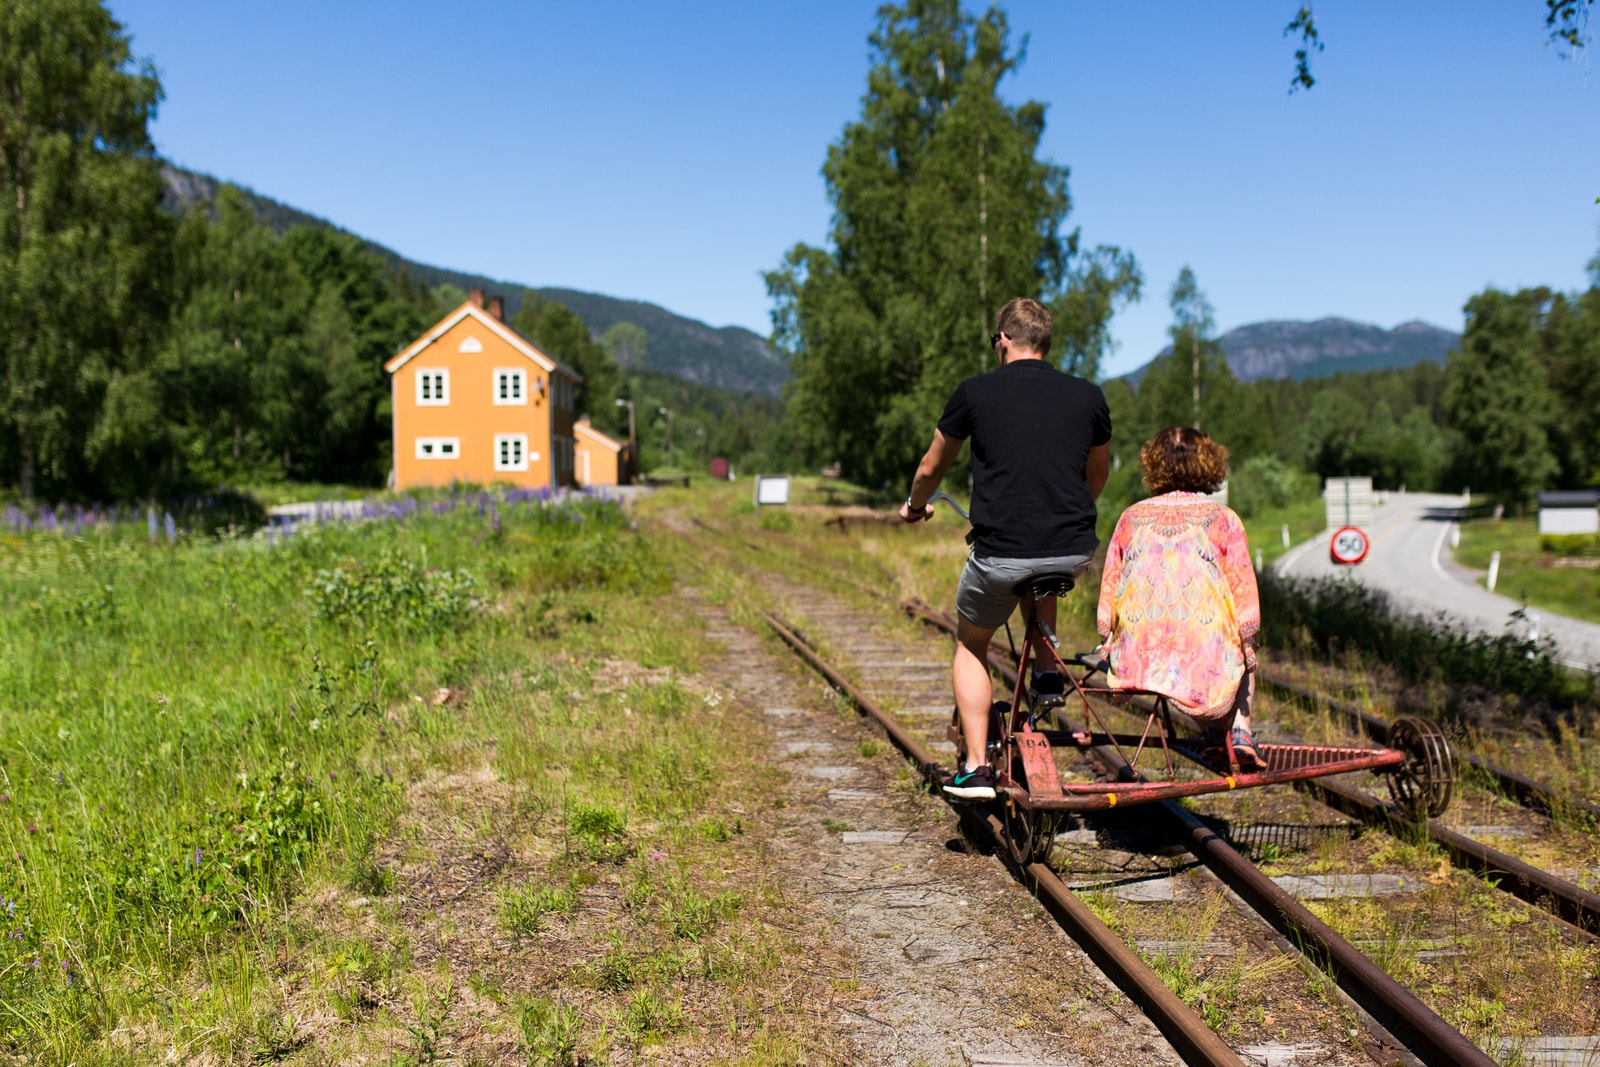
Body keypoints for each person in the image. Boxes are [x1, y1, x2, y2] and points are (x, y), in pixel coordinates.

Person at [899, 297, 1112, 800]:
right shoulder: (1088, 396)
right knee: (1043, 573)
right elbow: (1097, 474)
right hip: (1073, 549)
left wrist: (914, 506)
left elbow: (931, 468)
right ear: (1046, 343)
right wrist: (1066, 517)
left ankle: (975, 767)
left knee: (971, 643)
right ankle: (1044, 672)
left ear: (1003, 341)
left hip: (1000, 555)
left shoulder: (974, 393)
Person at [1095, 426, 1264, 770]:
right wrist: (1249, 639)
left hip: (1137, 655)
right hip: (1199, 653)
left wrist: (1107, 637)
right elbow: (1244, 593)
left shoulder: (1131, 517)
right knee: (1240, 652)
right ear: (1208, 464)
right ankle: (1241, 733)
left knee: (1219, 648)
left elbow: (1111, 585)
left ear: (1154, 466)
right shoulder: (1222, 519)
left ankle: (1215, 738)